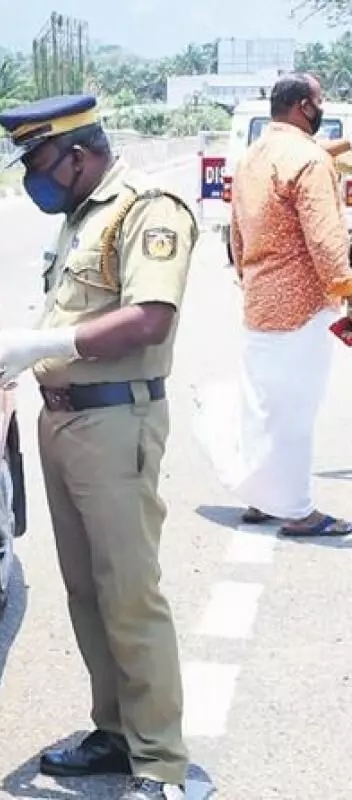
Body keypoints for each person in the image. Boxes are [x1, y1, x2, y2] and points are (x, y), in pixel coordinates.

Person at [0, 94, 197, 800]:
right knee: (86, 592)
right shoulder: (81, 215)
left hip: (115, 424)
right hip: (64, 420)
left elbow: (150, 318)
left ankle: (159, 762)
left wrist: (43, 344)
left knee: (130, 595)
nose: (30, 177)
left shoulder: (146, 208)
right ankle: (115, 729)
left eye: (38, 160)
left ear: (79, 152)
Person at [222, 72, 352, 535]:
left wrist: (248, 276)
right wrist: (347, 291)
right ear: (302, 106)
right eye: (320, 101)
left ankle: (261, 499)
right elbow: (326, 239)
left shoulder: (252, 157)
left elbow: (235, 234)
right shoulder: (308, 161)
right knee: (295, 411)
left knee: (262, 406)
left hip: (260, 300)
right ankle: (298, 510)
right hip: (302, 306)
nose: (323, 107)